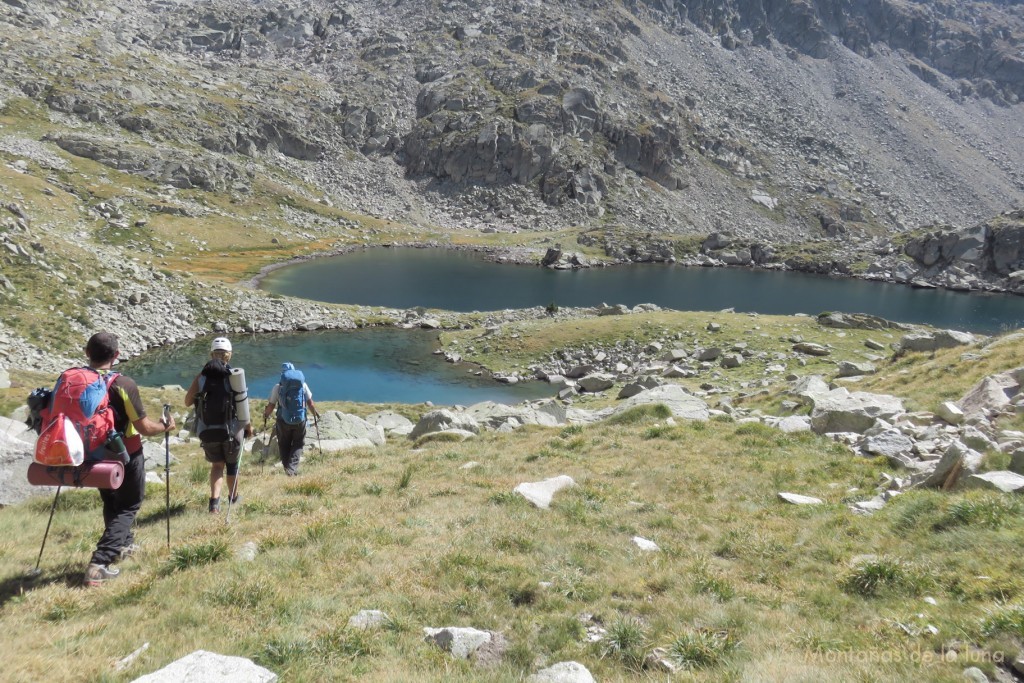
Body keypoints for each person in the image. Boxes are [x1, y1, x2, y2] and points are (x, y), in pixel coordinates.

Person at [82, 331, 175, 587]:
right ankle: (100, 562)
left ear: (87, 353)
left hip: (92, 453)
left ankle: (123, 544)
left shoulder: (77, 379)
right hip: (125, 453)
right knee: (129, 505)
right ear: (116, 356)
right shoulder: (123, 384)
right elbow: (144, 427)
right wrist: (165, 427)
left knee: (111, 501)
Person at [184, 337, 250, 513]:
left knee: (217, 466)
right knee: (232, 466)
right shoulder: (235, 376)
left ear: (212, 354)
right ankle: (233, 498)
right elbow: (243, 407)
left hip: (207, 431)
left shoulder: (202, 377)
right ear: (229, 355)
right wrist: (247, 428)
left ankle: (214, 503)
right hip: (231, 431)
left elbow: (187, 401)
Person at [263, 362, 319, 476]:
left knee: (284, 444)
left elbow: (271, 405)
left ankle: (288, 470)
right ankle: (291, 470)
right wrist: (314, 413)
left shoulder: (278, 387)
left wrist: (266, 415)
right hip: (300, 420)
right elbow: (310, 403)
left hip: (283, 420)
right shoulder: (302, 385)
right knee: (298, 443)